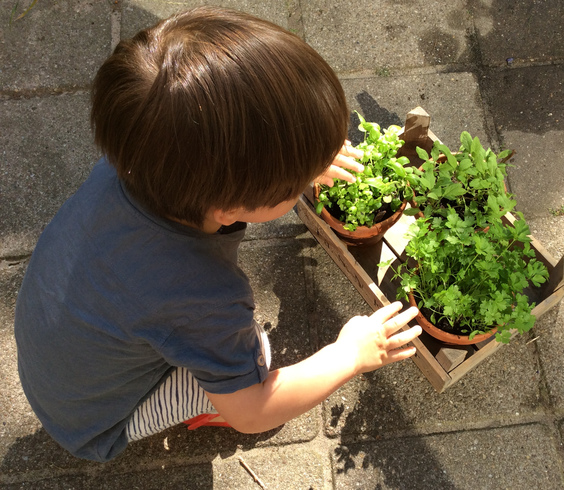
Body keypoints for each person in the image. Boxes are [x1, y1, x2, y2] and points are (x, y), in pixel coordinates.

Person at [13, 6, 421, 462]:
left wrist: (289, 166)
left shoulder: (136, 163)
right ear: (229, 205)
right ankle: (203, 406)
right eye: (293, 177)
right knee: (258, 356)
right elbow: (254, 411)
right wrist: (351, 354)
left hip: (56, 359)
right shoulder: (207, 299)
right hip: (94, 419)